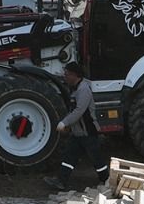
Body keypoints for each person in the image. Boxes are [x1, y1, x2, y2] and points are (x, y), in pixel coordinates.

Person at [45, 62, 108, 191]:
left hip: (88, 132)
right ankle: (61, 181)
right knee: (69, 156)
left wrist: (64, 123)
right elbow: (73, 110)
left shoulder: (83, 89)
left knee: (96, 159)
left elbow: (79, 111)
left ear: (74, 75)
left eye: (67, 74)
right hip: (78, 132)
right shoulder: (75, 89)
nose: (65, 77)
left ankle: (107, 181)